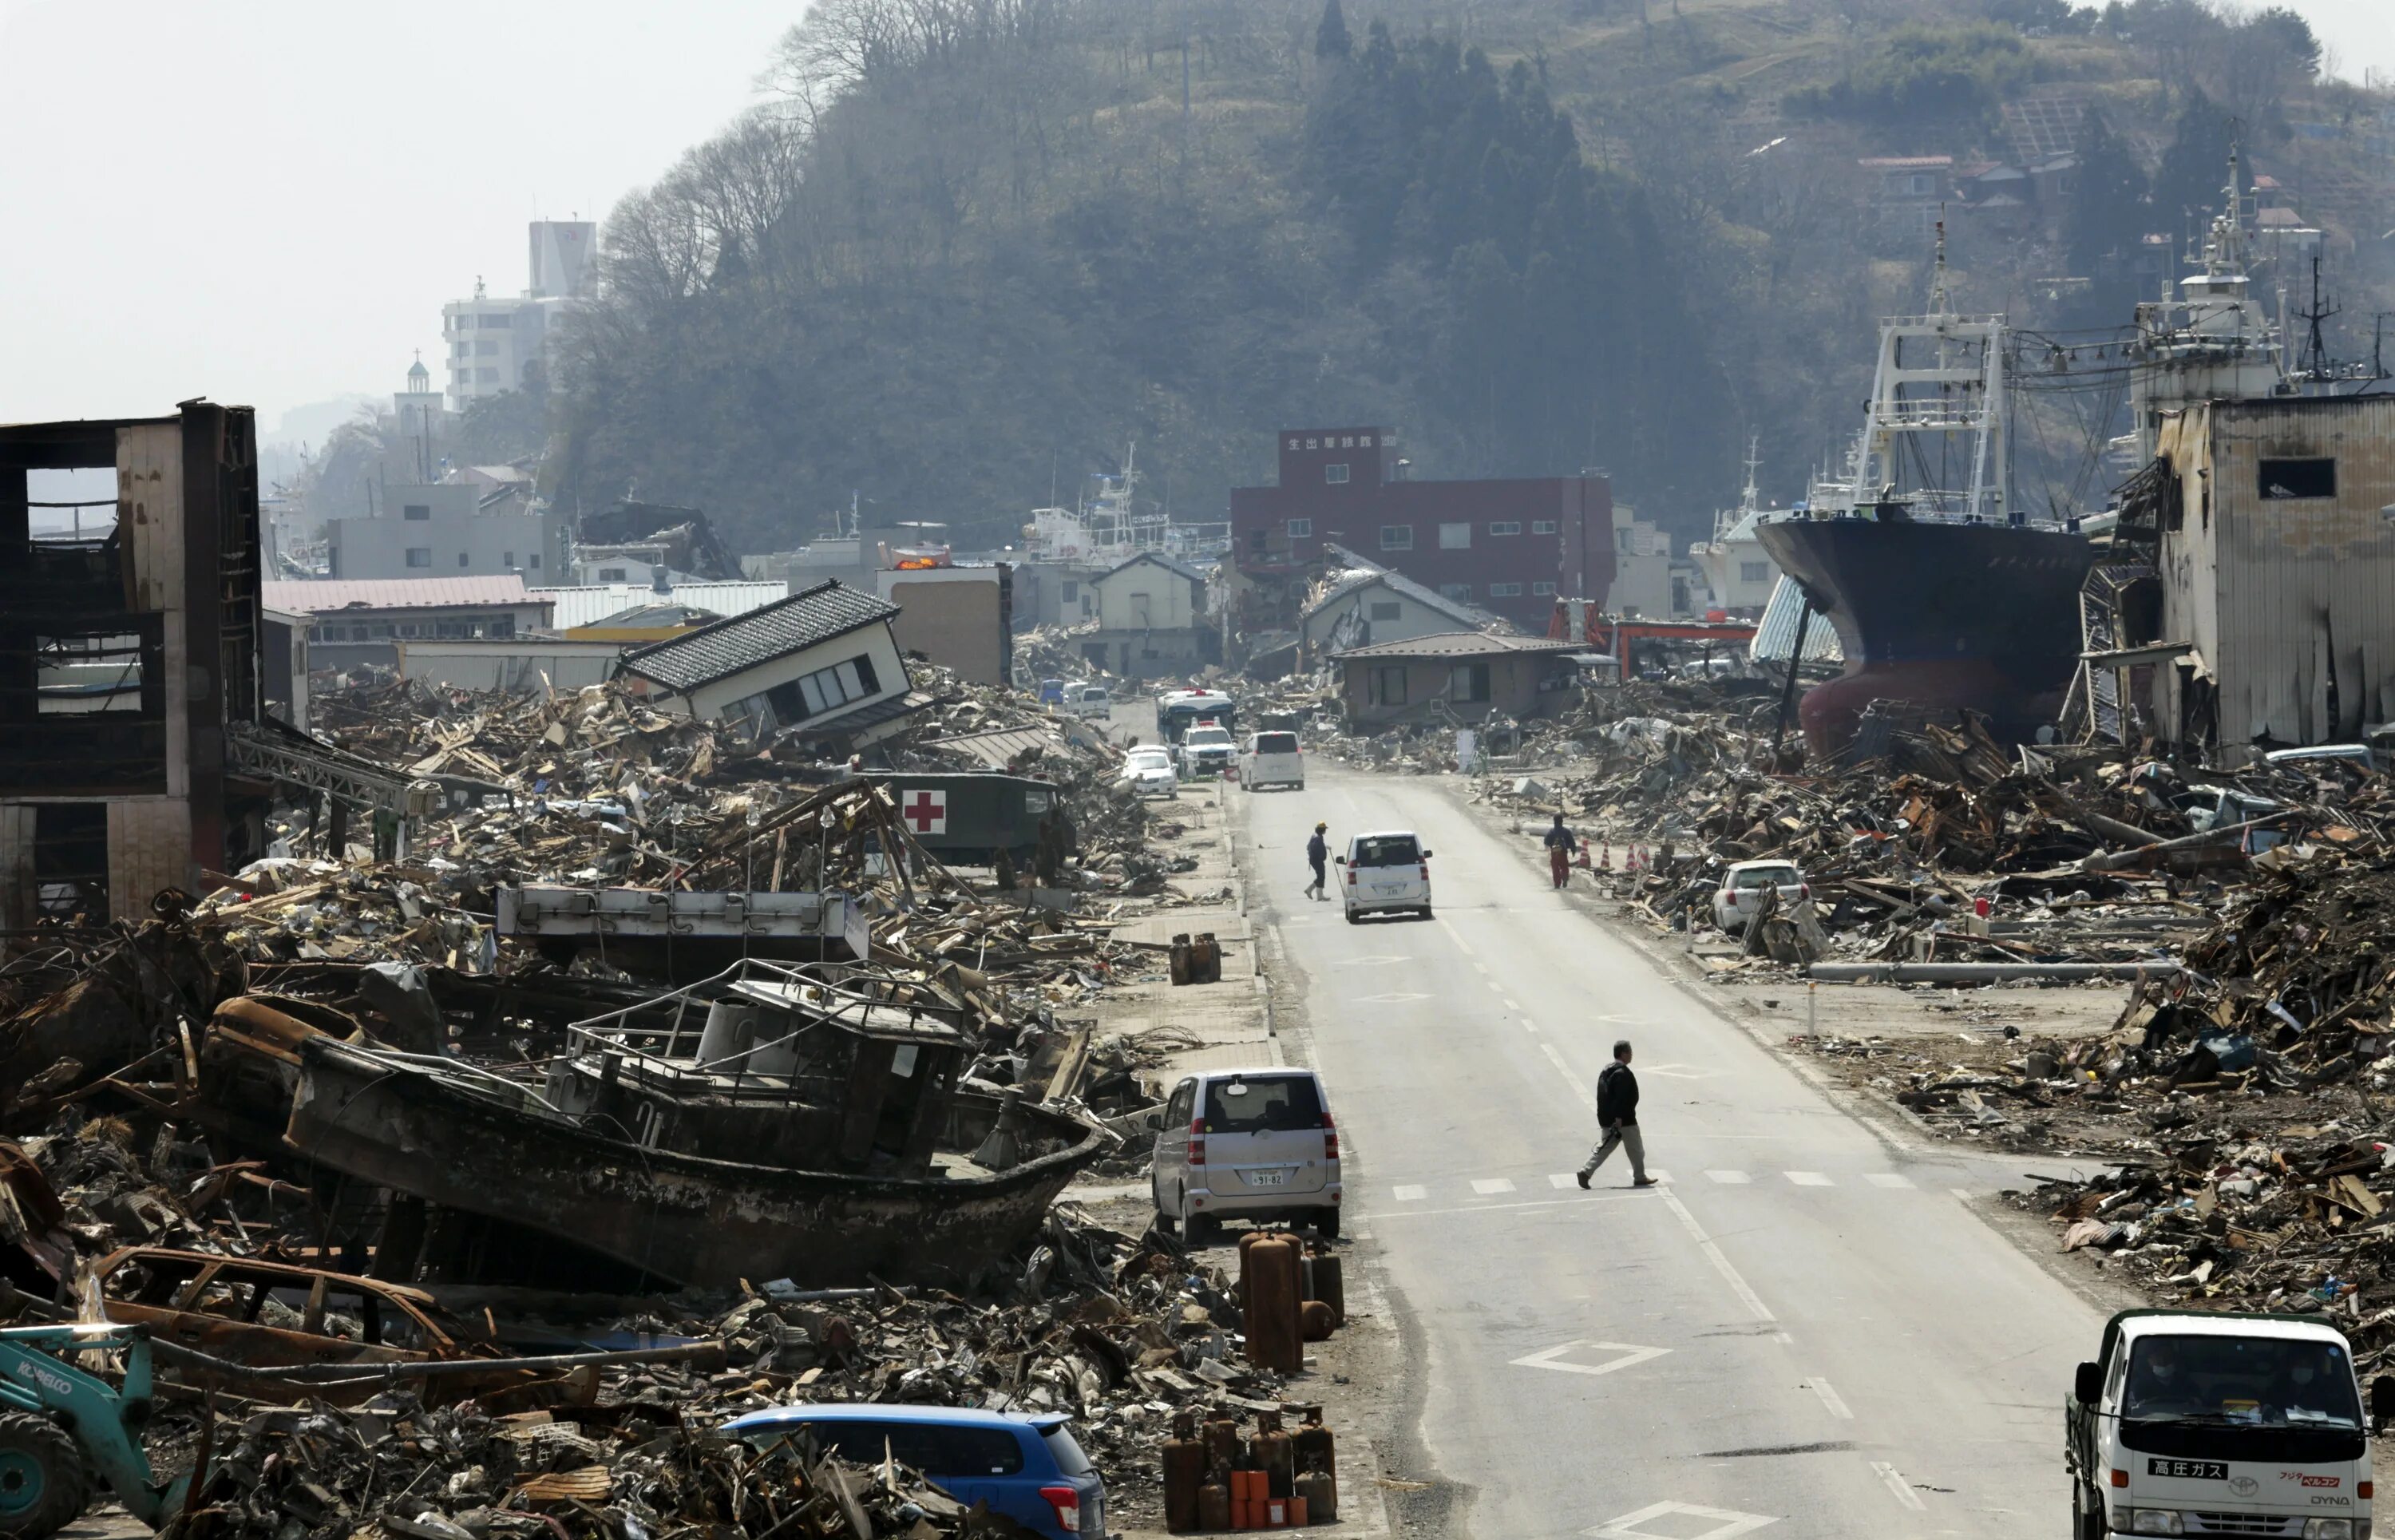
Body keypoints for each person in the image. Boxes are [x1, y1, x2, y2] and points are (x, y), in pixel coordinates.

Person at [1578, 1040, 1656, 1189]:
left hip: (1607, 1119)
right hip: (1624, 1120)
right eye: (1630, 1052)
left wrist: (1605, 1118)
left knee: (1605, 1148)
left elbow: (1602, 1097)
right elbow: (1621, 1098)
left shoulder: (1606, 1071)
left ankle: (1585, 1172)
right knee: (1636, 1149)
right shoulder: (1622, 1074)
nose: (1632, 1055)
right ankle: (1640, 1177)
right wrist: (1619, 1117)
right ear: (1624, 1053)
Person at [1542, 813, 1578, 889]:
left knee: (1555, 869)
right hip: (1563, 852)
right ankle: (1564, 878)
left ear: (1554, 822)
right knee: (1564, 867)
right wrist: (1573, 850)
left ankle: (1557, 884)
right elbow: (1572, 842)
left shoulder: (1551, 832)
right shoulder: (1566, 831)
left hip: (1554, 853)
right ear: (1562, 821)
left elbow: (1546, 841)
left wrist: (1550, 846)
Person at [1304, 822, 1330, 901]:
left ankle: (1319, 894)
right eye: (1324, 829)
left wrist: (1325, 847)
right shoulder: (1318, 838)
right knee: (1321, 876)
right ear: (1322, 830)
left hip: (1313, 859)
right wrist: (1322, 856)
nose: (1325, 831)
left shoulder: (1315, 836)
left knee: (1321, 876)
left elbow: (1309, 847)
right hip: (1317, 860)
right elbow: (1317, 849)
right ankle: (1313, 891)